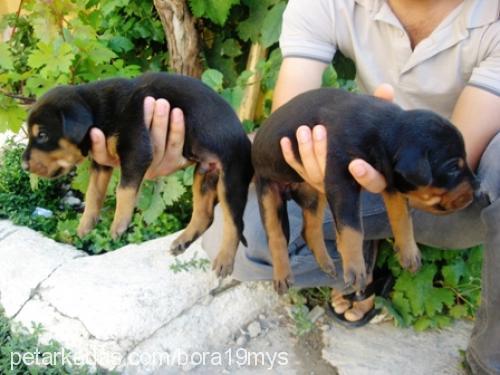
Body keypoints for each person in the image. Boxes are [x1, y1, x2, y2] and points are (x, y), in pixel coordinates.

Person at [91, 0, 500, 372]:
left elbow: (461, 160)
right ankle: (359, 267)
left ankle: (489, 362)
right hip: (357, 159)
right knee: (236, 242)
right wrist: (199, 150)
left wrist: (387, 179)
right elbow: (289, 128)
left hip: (461, 190)